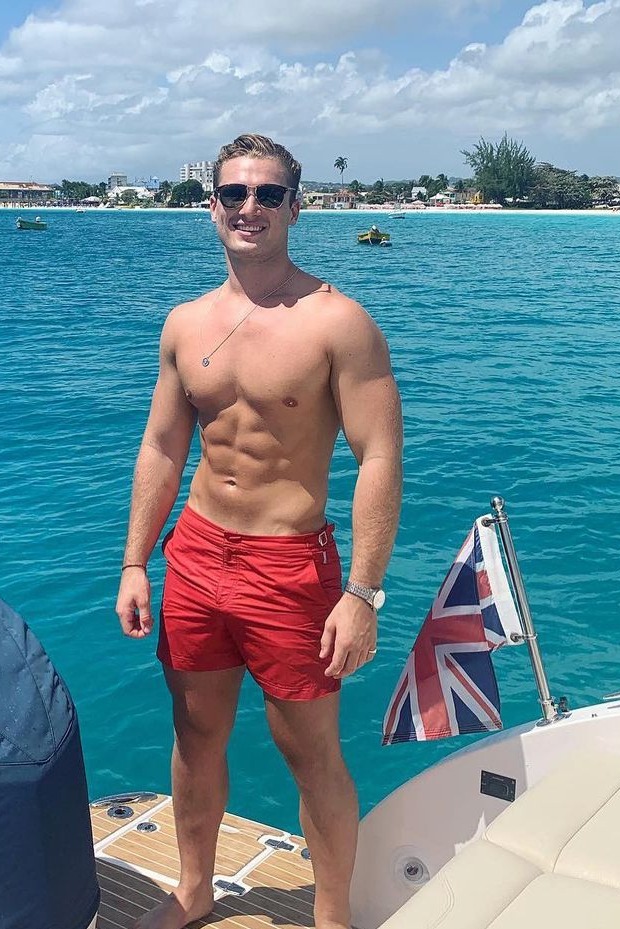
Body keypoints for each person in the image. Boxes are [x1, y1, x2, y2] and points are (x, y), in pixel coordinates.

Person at [116, 133, 402, 929]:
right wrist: (136, 560)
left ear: (293, 208)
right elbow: (162, 446)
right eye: (234, 193)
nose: (250, 207)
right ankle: (193, 887)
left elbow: (379, 457)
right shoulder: (185, 323)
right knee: (195, 732)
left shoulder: (338, 324)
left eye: (267, 194)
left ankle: (331, 916)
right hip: (198, 555)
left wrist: (363, 593)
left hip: (290, 564)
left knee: (309, 754)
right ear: (211, 206)